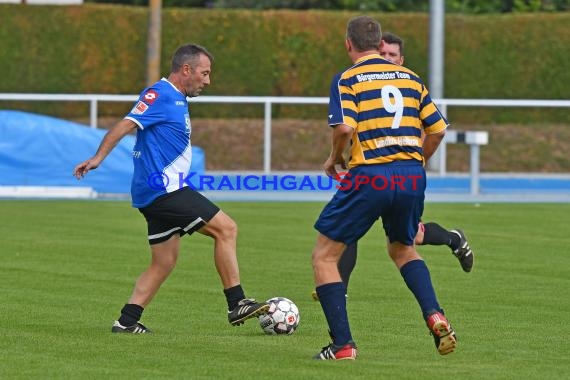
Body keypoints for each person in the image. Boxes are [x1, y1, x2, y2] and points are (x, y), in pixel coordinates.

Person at [73, 44, 269, 333]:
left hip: (156, 192)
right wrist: (99, 157)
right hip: (163, 189)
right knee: (226, 229)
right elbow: (126, 124)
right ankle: (236, 303)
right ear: (186, 69)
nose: (207, 81)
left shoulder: (176, 98)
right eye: (204, 73)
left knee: (164, 261)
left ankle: (127, 322)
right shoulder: (160, 95)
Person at [312, 16, 457, 360]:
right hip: (411, 175)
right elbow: (437, 130)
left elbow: (345, 129)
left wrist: (333, 159)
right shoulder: (410, 77)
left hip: (371, 173)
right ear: (380, 45)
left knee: (324, 256)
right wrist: (417, 162)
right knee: (403, 249)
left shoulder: (348, 78)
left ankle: (342, 345)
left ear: (349, 44)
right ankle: (435, 314)